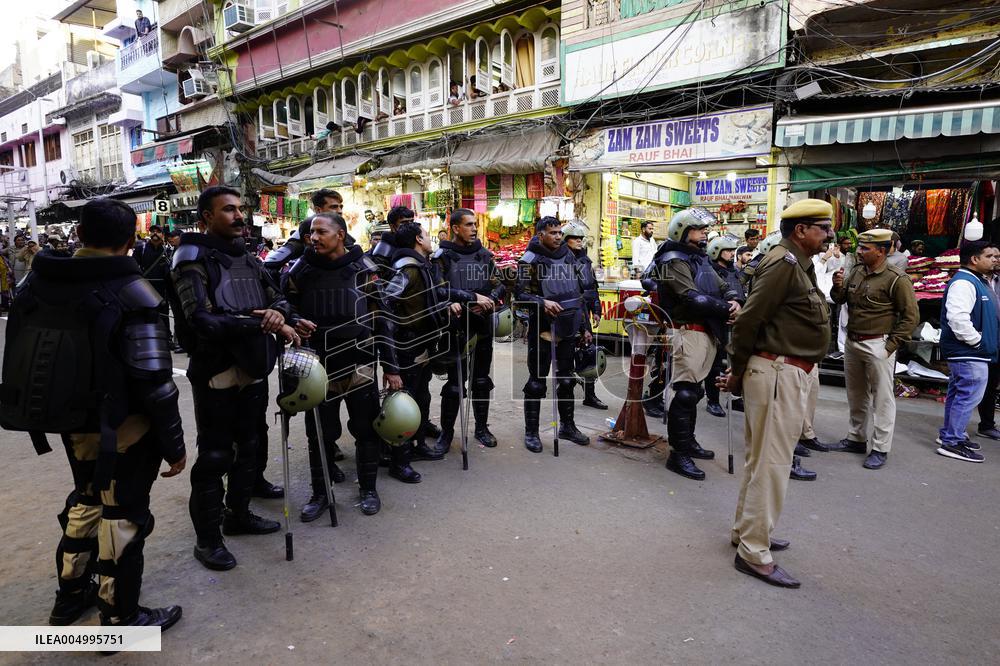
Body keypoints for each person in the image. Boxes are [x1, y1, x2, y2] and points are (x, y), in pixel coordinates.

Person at [2, 198, 185, 629]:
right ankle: (119, 617)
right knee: (123, 515)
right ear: (129, 240)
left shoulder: (36, 282)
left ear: (80, 236)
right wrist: (175, 445)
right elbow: (156, 383)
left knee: (86, 499)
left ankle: (69, 599)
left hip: (69, 421)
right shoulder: (133, 291)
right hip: (125, 425)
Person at [171, 186, 299, 571]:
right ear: (206, 217)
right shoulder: (191, 258)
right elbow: (201, 320)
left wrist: (277, 313)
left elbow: (280, 296)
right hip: (216, 370)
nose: (239, 216)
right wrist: (262, 321)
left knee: (250, 444)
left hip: (254, 365)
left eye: (240, 208)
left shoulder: (247, 258)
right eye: (228, 210)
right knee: (214, 455)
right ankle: (208, 541)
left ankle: (238, 514)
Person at [721, 198, 834, 589]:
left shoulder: (797, 265)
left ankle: (748, 532)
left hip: (784, 371)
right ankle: (754, 551)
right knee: (771, 464)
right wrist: (736, 373)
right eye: (822, 227)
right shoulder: (783, 264)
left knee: (761, 461)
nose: (829, 235)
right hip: (776, 371)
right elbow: (750, 318)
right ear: (800, 231)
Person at [283, 213, 401, 518]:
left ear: (340, 235)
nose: (314, 238)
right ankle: (320, 494)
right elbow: (286, 308)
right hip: (318, 367)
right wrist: (294, 323)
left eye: (321, 232)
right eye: (311, 233)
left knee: (366, 429)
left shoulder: (365, 270)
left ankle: (368, 490)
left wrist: (391, 367)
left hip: (360, 364)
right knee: (319, 433)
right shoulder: (302, 270)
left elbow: (381, 319)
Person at [647, 208, 741, 480]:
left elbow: (724, 285)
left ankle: (688, 441)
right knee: (686, 393)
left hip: (707, 332)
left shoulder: (699, 258)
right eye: (700, 230)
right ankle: (679, 453)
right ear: (683, 231)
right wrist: (726, 308)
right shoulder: (673, 259)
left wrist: (734, 299)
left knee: (696, 392)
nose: (705, 235)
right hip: (687, 332)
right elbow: (691, 298)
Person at [829, 228, 919, 469]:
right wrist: (837, 286)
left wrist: (889, 347)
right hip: (853, 342)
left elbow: (910, 318)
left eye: (865, 249)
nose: (859, 251)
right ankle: (856, 438)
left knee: (882, 399)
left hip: (878, 344)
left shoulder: (897, 279)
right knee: (855, 395)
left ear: (881, 251)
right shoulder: (857, 271)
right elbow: (841, 300)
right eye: (859, 247)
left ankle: (880, 448)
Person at [430, 209, 504, 456]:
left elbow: (499, 283)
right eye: (469, 225)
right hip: (456, 327)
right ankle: (447, 432)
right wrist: (455, 301)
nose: (474, 229)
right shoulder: (442, 257)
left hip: (482, 324)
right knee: (454, 386)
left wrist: (492, 299)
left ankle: (481, 428)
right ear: (455, 228)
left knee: (481, 381)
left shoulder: (484, 255)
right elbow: (438, 290)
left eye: (475, 224)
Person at [515, 217, 593, 452]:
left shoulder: (569, 256)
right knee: (537, 383)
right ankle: (532, 432)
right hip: (543, 327)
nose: (558, 236)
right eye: (553, 233)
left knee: (567, 379)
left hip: (569, 324)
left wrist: (585, 326)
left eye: (560, 232)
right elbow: (519, 296)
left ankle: (567, 426)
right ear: (540, 235)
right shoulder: (530, 260)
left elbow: (579, 292)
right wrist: (542, 302)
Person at [384, 221, 448, 477]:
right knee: (404, 403)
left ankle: (419, 444)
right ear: (418, 241)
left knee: (422, 396)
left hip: (423, 341)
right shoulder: (407, 268)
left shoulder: (423, 265)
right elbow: (386, 302)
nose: (430, 239)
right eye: (426, 235)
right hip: (406, 344)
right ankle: (399, 461)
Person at [935, 240, 999, 463]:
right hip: (968, 351)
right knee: (968, 395)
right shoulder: (964, 283)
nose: (995, 260)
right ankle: (952, 441)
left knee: (959, 393)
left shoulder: (976, 281)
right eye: (990, 256)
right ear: (974, 259)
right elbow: (958, 318)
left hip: (970, 351)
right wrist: (978, 342)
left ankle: (951, 435)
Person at [562, 220, 606, 410]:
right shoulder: (561, 262)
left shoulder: (586, 261)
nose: (580, 241)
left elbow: (592, 288)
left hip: (585, 314)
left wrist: (596, 309)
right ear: (565, 240)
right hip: (569, 316)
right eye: (575, 238)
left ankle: (590, 395)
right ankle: (566, 400)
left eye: (581, 238)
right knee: (567, 358)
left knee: (589, 354)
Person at [702, 234, 745, 418]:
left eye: (732, 250)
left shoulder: (734, 271)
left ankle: (736, 398)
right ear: (716, 251)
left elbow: (741, 293)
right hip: (717, 323)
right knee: (715, 364)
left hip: (735, 322)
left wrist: (739, 310)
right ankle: (713, 401)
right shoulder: (709, 271)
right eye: (727, 250)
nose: (731, 254)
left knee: (736, 363)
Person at [135, 226, 174, 348]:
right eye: (152, 231)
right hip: (146, 287)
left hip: (163, 287)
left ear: (162, 235)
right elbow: (134, 265)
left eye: (158, 232)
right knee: (147, 313)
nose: (155, 234)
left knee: (164, 313)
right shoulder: (141, 249)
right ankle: (149, 338)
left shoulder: (168, 250)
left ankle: (167, 338)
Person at [976, 249, 1000, 441]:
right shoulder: (975, 281)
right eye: (991, 256)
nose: (995, 260)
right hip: (986, 338)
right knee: (988, 383)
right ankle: (986, 424)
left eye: (998, 257)